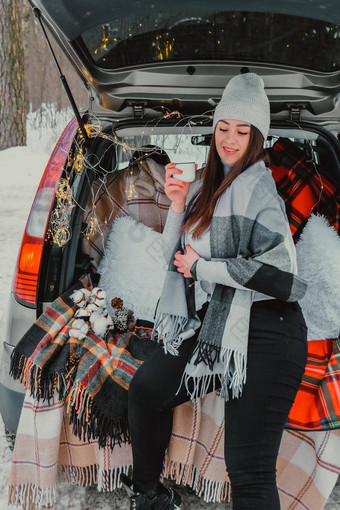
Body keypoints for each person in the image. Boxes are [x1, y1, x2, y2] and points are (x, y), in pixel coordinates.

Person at [120, 72, 308, 510]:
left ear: (256, 137)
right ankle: (148, 495)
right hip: (219, 317)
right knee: (147, 390)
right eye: (223, 127)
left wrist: (206, 267)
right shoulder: (206, 184)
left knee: (248, 467)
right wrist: (179, 205)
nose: (230, 139)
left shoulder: (261, 191)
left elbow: (280, 271)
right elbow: (173, 257)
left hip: (270, 324)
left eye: (242, 131)